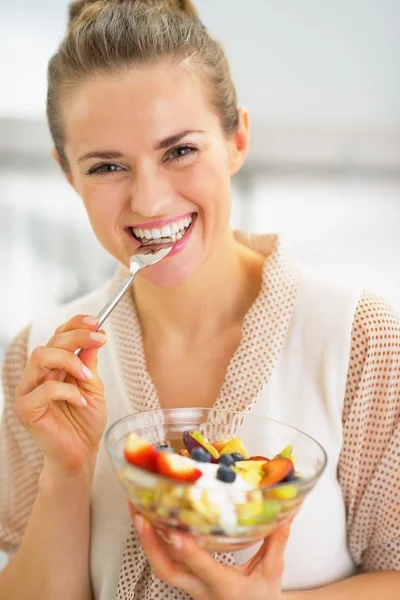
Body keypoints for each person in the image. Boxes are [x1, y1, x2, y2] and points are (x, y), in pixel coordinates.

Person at [0, 0, 399, 598]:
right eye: (107, 165)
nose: (151, 201)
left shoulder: (359, 338)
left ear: (236, 139)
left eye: (179, 151)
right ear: (67, 172)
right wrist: (67, 472)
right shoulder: (41, 361)